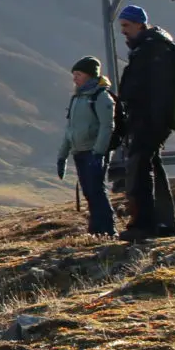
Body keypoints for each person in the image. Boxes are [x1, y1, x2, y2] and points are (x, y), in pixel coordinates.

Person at [113, 4, 175, 240]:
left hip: (148, 122)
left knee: (139, 170)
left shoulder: (153, 51)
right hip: (149, 121)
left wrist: (151, 123)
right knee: (152, 168)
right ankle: (165, 224)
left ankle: (144, 225)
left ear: (140, 24)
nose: (123, 31)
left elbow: (157, 91)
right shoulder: (151, 49)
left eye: (126, 26)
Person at [57, 56, 116, 236]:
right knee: (89, 192)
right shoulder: (77, 98)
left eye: (78, 74)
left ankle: (107, 229)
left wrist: (98, 153)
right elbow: (70, 129)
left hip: (93, 151)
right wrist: (62, 156)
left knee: (96, 191)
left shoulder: (101, 97)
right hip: (79, 152)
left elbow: (107, 126)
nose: (74, 78)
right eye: (74, 74)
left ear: (90, 75)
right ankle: (96, 229)